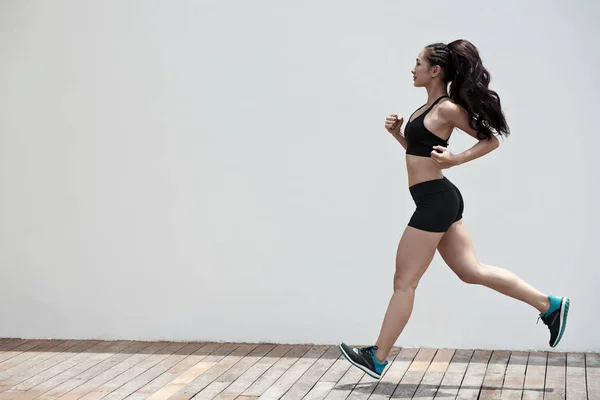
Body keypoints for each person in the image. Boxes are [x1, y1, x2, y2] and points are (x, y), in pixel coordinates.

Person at [338, 39, 570, 380]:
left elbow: (490, 139)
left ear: (435, 71)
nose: (412, 68)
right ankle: (548, 305)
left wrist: (457, 159)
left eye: (418, 63)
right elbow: (421, 154)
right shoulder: (425, 109)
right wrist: (398, 135)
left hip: (436, 199)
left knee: (404, 281)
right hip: (435, 198)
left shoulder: (446, 108)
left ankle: (378, 356)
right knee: (471, 271)